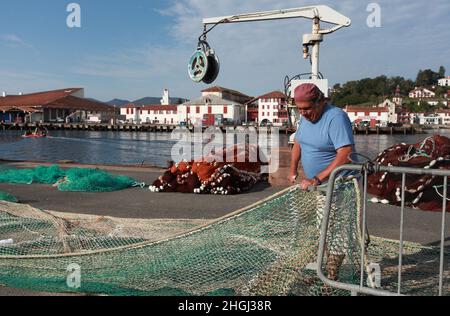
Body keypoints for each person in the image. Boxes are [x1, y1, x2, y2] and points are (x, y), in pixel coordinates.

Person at [289, 83, 357, 283]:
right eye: (299, 109)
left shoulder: (336, 117)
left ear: (320, 102)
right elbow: (298, 142)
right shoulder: (304, 118)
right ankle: (325, 274)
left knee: (337, 235)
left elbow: (345, 154)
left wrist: (318, 177)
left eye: (307, 109)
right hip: (318, 188)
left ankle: (331, 279)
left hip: (339, 187)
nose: (304, 113)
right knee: (322, 231)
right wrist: (293, 168)